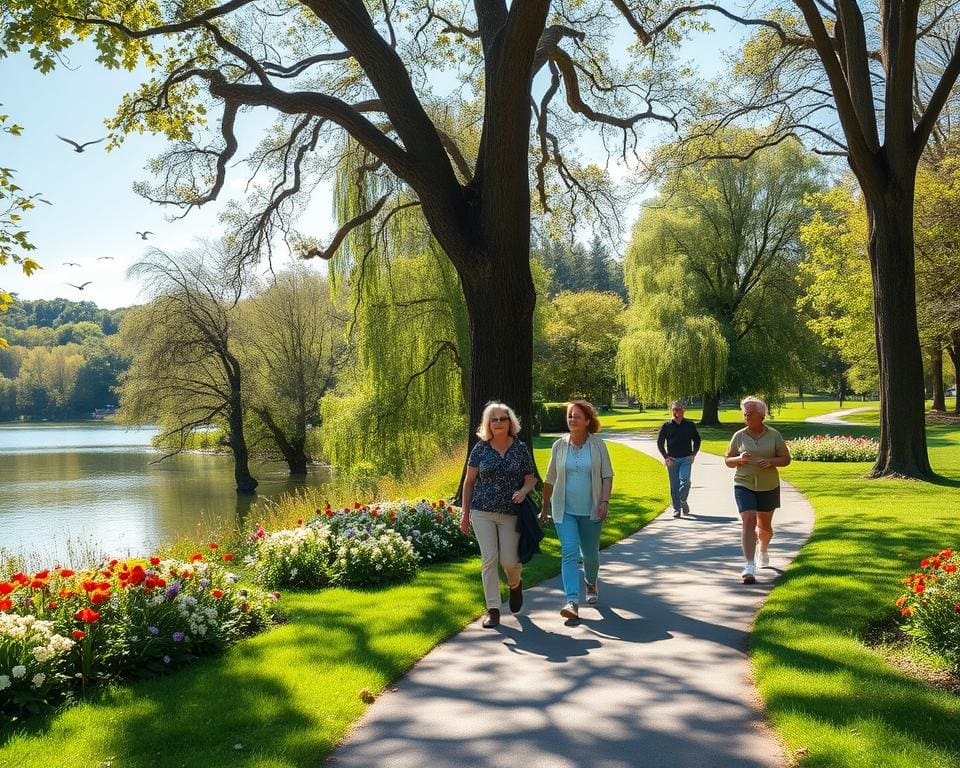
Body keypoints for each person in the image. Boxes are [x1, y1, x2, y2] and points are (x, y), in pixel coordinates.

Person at [460, 402, 538, 628]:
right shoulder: (481, 448)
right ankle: (493, 609)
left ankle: (515, 584)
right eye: (493, 419)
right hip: (482, 511)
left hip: (511, 513)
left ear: (510, 422)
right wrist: (465, 514)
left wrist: (523, 491)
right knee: (489, 559)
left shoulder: (520, 448)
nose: (498, 423)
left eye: (502, 419)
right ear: (488, 423)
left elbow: (530, 478)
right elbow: (469, 482)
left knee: (509, 562)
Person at [539, 400, 614, 621]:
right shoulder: (559, 446)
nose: (572, 419)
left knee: (590, 555)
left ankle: (591, 582)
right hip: (565, 510)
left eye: (577, 416)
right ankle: (572, 601)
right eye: (570, 415)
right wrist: (544, 508)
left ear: (587, 421)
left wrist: (604, 502)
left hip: (591, 510)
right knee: (569, 552)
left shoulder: (598, 445)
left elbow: (607, 475)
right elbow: (550, 479)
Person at [724, 396, 791, 584]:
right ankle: (749, 565)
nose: (746, 416)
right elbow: (728, 459)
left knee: (764, 527)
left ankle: (763, 549)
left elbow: (786, 459)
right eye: (744, 413)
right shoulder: (739, 435)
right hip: (743, 483)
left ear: (761, 415)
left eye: (750, 413)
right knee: (748, 518)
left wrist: (770, 461)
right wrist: (738, 460)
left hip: (768, 485)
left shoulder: (774, 435)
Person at [656, 400, 702, 518]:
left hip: (686, 458)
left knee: (685, 481)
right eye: (674, 410)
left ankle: (682, 500)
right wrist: (666, 457)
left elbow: (697, 440)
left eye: (679, 409)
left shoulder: (689, 425)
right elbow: (660, 443)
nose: (676, 412)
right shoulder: (666, 426)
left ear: (683, 411)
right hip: (672, 459)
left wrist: (693, 454)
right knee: (674, 485)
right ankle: (677, 509)